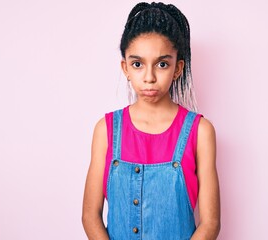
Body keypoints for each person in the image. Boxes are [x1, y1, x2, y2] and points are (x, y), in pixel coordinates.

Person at [82, 2, 220, 239]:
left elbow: (210, 223)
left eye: (162, 64)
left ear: (177, 69)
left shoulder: (201, 132)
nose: (149, 77)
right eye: (138, 64)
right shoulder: (106, 130)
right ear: (125, 68)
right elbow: (90, 216)